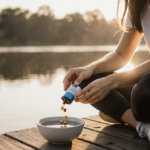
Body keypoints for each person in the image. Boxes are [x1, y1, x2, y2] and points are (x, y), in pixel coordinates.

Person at [63, 0, 150, 140]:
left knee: (143, 91)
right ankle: (141, 125)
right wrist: (88, 69)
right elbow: (121, 54)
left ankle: (120, 111)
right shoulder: (137, 5)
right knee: (87, 78)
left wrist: (111, 81)